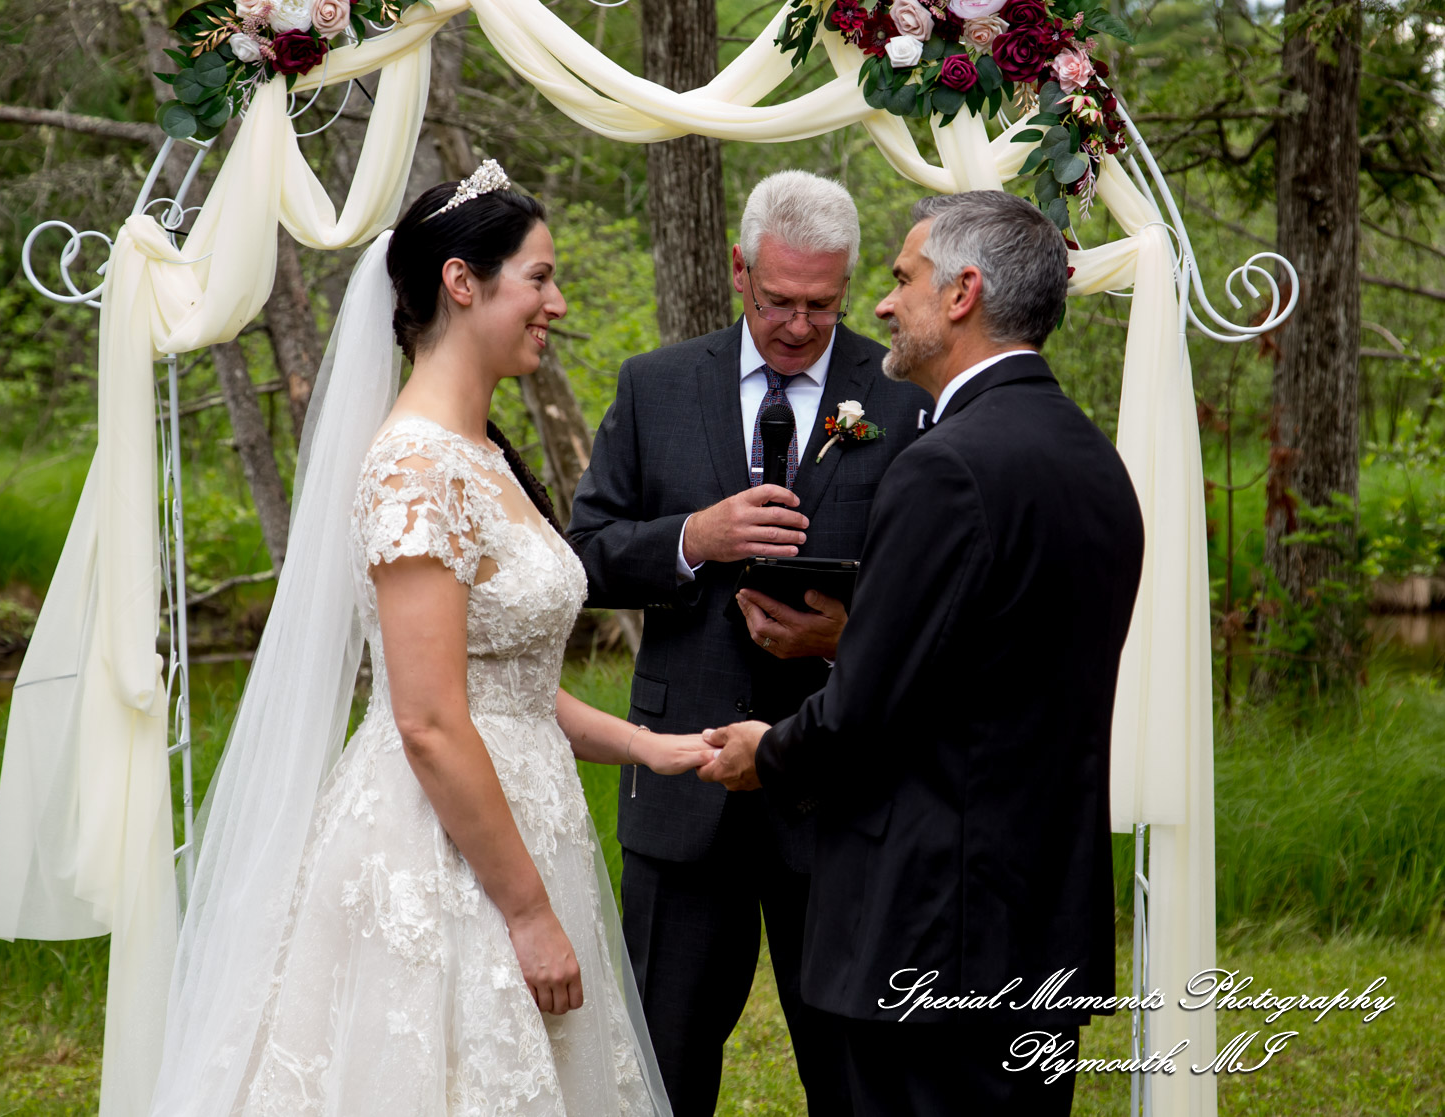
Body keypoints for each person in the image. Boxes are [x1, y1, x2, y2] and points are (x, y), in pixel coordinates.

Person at [146, 163, 709, 1117]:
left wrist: (645, 745)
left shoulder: (481, 452)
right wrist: (527, 913)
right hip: (443, 851)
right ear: (462, 281)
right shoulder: (415, 467)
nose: (556, 302)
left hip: (520, 827)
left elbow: (504, 681)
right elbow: (432, 720)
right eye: (538, 277)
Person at [698, 191, 1146, 1116]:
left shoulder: (947, 464)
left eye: (903, 278)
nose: (883, 304)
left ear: (962, 292)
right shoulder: (1094, 460)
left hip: (930, 927)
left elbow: (866, 713)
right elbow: (994, 668)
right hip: (1038, 915)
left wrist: (764, 754)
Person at [567, 170, 932, 1116]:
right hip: (683, 782)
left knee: (852, 1071)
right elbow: (584, 558)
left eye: (822, 304)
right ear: (739, 270)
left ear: (851, 286)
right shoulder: (655, 385)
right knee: (663, 1067)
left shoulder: (899, 396)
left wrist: (844, 636)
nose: (800, 325)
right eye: (778, 300)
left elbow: (929, 587)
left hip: (837, 792)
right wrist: (695, 537)